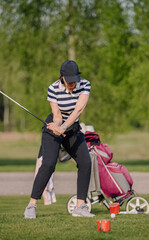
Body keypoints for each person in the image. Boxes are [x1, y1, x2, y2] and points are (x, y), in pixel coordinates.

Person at [24, 60, 94, 218]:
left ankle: (80, 207)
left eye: (75, 80)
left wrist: (64, 128)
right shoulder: (53, 88)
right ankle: (31, 206)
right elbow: (57, 115)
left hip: (72, 127)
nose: (73, 84)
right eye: (69, 81)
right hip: (55, 127)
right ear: (62, 77)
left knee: (85, 162)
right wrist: (56, 126)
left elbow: (78, 110)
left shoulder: (85, 84)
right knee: (48, 164)